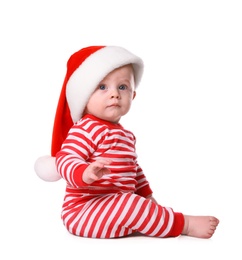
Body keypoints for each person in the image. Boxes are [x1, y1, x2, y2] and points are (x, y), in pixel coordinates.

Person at [34, 45, 219, 239]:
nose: (114, 94)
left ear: (133, 95)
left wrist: (147, 196)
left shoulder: (126, 135)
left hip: (117, 208)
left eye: (122, 87)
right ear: (84, 96)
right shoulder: (85, 128)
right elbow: (65, 158)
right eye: (102, 87)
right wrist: (84, 172)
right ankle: (184, 224)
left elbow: (134, 169)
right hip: (84, 211)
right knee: (130, 205)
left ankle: (151, 218)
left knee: (135, 205)